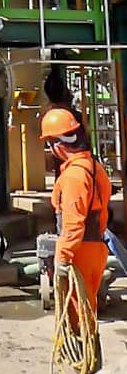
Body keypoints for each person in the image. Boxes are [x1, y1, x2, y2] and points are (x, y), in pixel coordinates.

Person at [40, 108, 111, 316]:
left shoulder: (74, 177)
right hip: (95, 248)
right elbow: (102, 216)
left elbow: (73, 223)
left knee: (76, 320)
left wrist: (62, 258)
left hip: (79, 253)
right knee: (86, 314)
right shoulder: (95, 169)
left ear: (58, 145)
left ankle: (80, 349)